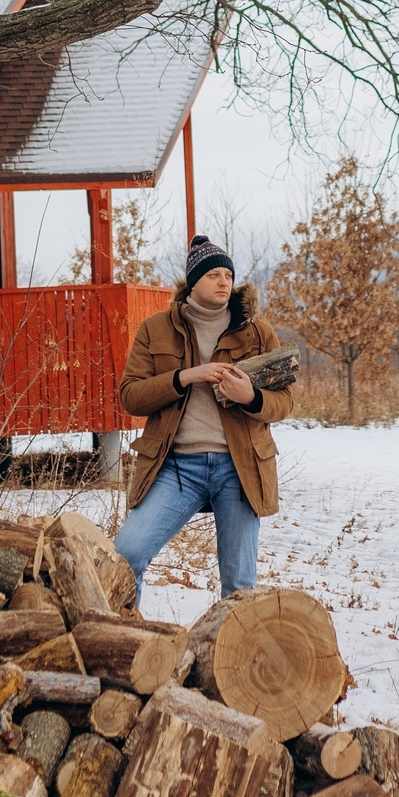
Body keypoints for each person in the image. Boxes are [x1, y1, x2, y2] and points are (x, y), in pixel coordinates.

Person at [115, 233, 293, 601]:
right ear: (193, 282)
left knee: (239, 584)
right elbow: (130, 397)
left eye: (227, 275)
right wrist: (184, 377)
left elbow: (285, 402)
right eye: (213, 275)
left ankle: (232, 655)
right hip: (176, 466)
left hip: (239, 467)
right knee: (126, 553)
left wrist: (251, 396)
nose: (223, 282)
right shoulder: (155, 328)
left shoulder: (258, 332)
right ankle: (127, 638)